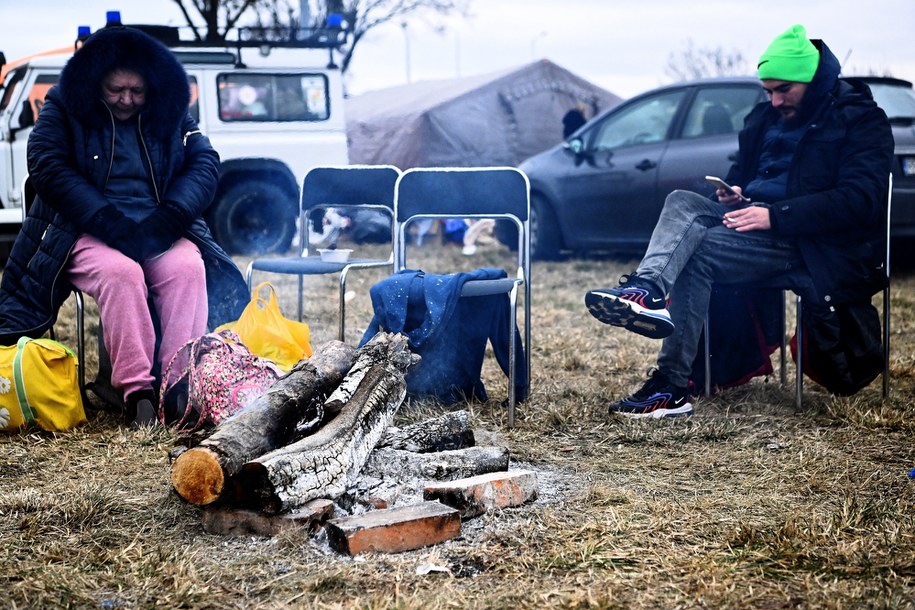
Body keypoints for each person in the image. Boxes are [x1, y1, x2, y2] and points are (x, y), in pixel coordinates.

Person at [583, 25, 894, 419]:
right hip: (753, 221)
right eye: (768, 90)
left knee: (697, 253)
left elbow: (861, 201)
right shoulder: (765, 117)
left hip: (811, 246)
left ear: (812, 80)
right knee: (682, 200)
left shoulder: (859, 119)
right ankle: (646, 291)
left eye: (784, 89)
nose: (775, 99)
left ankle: (671, 387)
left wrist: (775, 215)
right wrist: (735, 192)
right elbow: (745, 172)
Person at [0, 26, 248, 426]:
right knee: (121, 273)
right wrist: (107, 221)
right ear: (98, 81)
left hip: (157, 227)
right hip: (86, 229)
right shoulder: (63, 105)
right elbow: (46, 164)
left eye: (137, 91)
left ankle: (178, 384)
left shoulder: (169, 108)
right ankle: (138, 394)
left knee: (188, 269)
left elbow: (204, 163)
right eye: (117, 90)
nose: (128, 100)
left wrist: (169, 217)